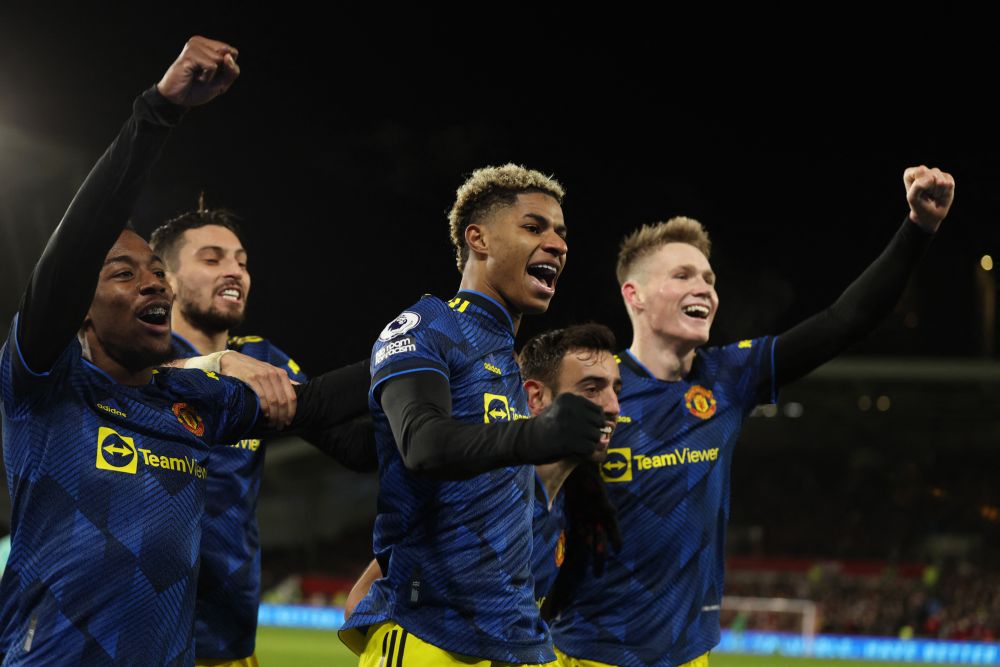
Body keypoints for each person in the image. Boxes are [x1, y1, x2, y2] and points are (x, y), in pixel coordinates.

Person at [0, 37, 368, 665]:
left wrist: (435, 338)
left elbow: (323, 403)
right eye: (122, 273)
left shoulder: (193, 402)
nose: (152, 283)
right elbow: (77, 243)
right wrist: (158, 111)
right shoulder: (46, 381)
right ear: (78, 311)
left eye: (155, 272)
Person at [549, 167, 956, 667]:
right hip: (593, 654)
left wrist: (917, 228)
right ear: (633, 295)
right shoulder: (591, 388)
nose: (704, 288)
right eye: (683, 276)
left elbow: (843, 322)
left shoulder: (728, 377)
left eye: (709, 278)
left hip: (691, 656)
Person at [339, 165, 608, 666]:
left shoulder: (506, 360)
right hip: (432, 637)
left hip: (512, 643)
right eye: (534, 227)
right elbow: (423, 445)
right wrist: (539, 434)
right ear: (477, 238)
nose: (557, 243)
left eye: (561, 233)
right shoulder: (428, 324)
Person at [150, 206, 374, 666]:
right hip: (141, 630)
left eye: (242, 261)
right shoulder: (137, 356)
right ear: (165, 278)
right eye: (212, 259)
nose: (234, 270)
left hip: (229, 636)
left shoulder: (263, 360)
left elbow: (351, 445)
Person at [342, 323, 622, 618]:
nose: (613, 406)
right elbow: (360, 600)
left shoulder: (567, 502)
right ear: (536, 399)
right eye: (592, 390)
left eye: (616, 390)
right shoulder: (483, 493)